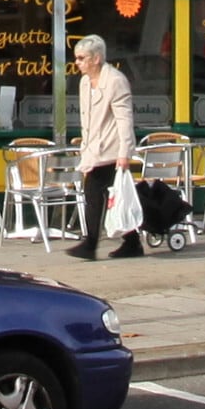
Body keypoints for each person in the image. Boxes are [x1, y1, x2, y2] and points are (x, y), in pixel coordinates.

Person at [67, 33, 141, 260]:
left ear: (96, 58)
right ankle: (132, 241)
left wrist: (124, 153)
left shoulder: (115, 80)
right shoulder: (84, 82)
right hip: (94, 148)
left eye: (81, 58)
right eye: (77, 58)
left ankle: (90, 244)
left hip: (111, 149)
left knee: (95, 192)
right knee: (114, 195)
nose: (77, 63)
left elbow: (124, 118)